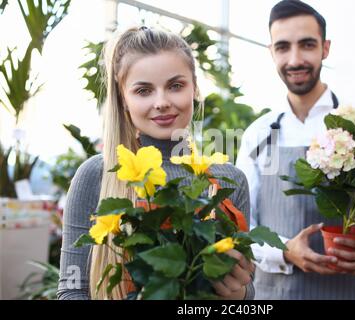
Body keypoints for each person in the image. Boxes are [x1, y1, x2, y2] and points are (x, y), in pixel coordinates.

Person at [57, 27, 255, 300]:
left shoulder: (229, 180)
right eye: (143, 90)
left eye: (175, 86)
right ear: (123, 99)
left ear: (195, 88)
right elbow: (71, 290)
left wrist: (239, 293)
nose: (161, 102)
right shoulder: (97, 175)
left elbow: (247, 290)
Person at [236, 0, 355, 299]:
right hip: (272, 293)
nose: (294, 60)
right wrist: (285, 251)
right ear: (271, 52)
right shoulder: (259, 133)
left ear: (325, 48)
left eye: (306, 45)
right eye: (282, 47)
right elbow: (241, 224)